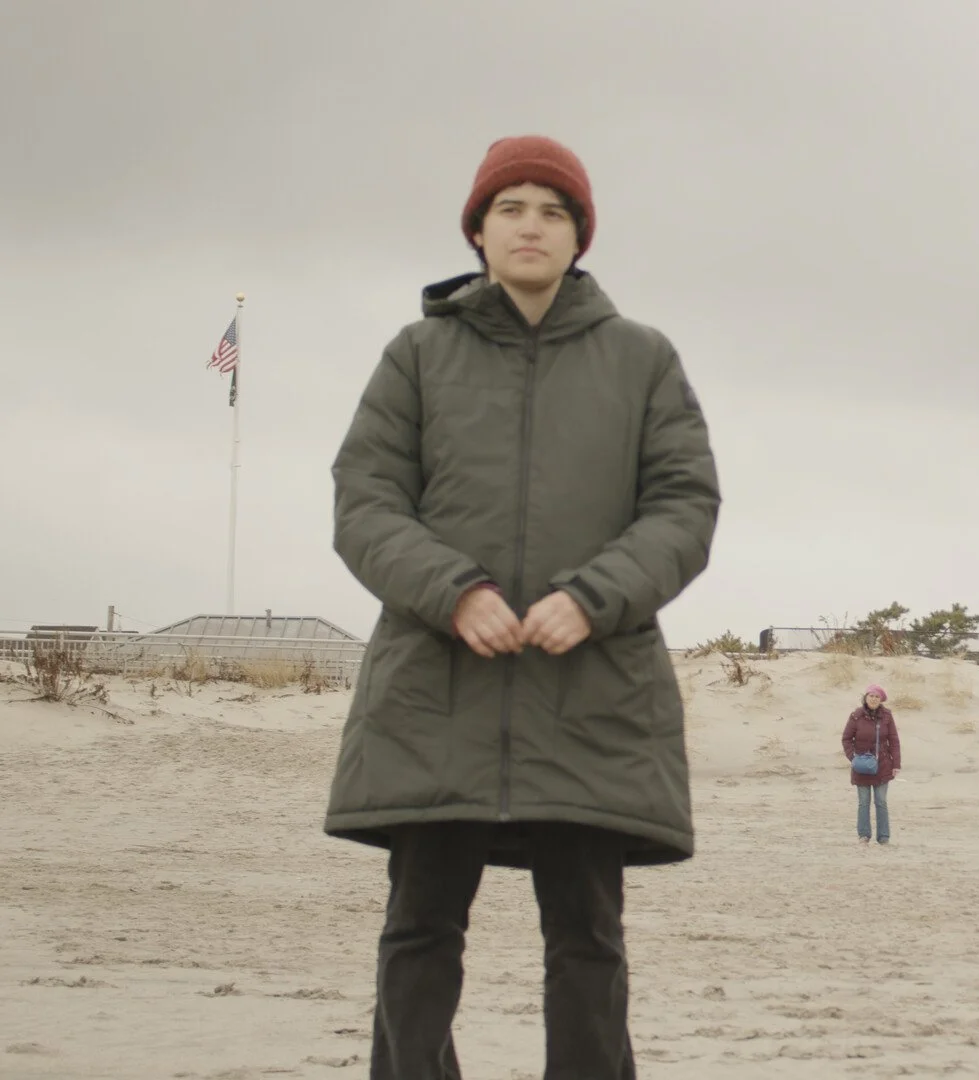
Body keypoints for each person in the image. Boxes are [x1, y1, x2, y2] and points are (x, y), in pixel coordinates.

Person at [323, 134, 721, 1080]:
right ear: (478, 230)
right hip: (435, 692)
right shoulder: (416, 355)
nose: (531, 226)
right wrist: (453, 591)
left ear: (580, 234)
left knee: (587, 939)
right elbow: (364, 501)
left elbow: (685, 505)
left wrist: (594, 597)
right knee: (419, 931)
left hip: (591, 693)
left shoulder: (643, 359)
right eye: (511, 208)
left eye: (553, 210)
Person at [840, 684, 901, 844]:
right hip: (861, 766)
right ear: (865, 697)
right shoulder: (856, 716)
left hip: (883, 765)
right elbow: (846, 738)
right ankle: (864, 835)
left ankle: (884, 837)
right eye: (871, 696)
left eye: (877, 697)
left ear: (881, 700)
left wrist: (896, 764)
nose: (874, 699)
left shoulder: (887, 716)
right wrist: (853, 757)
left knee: (881, 801)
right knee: (863, 802)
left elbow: (894, 741)